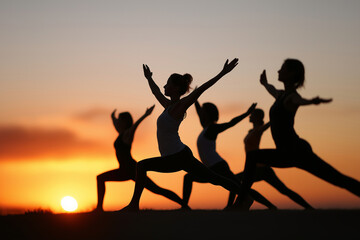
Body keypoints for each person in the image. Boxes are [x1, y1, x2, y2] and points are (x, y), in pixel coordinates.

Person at [234, 58, 360, 208]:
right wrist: (265, 84)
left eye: (283, 69)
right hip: (284, 152)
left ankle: (241, 201)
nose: (279, 71)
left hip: (297, 151)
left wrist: (312, 101)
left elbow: (299, 101)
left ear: (292, 74)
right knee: (253, 156)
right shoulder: (280, 95)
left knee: (338, 179)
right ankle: (242, 201)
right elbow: (272, 89)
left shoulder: (291, 97)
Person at [122, 59, 245, 211]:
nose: (165, 86)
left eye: (168, 84)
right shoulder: (168, 106)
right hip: (177, 156)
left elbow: (201, 90)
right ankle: (247, 196)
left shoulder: (180, 106)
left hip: (178, 156)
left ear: (176, 88)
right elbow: (156, 91)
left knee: (141, 165)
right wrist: (149, 78)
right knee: (215, 178)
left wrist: (223, 73)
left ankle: (134, 205)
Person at [182, 100, 276, 209]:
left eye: (203, 111)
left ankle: (270, 206)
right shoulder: (206, 128)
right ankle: (184, 206)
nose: (200, 113)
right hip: (210, 168)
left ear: (207, 113)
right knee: (188, 177)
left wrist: (246, 113)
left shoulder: (212, 128)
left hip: (218, 166)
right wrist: (195, 99)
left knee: (240, 188)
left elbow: (231, 123)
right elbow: (199, 112)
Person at [94, 105, 189, 212]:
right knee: (100, 178)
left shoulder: (128, 134)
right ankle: (99, 208)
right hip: (124, 169)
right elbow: (116, 125)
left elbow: (134, 127)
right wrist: (113, 117)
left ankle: (184, 205)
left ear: (125, 122)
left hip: (131, 169)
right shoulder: (121, 133)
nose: (118, 122)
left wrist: (145, 115)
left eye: (120, 120)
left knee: (157, 190)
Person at [227, 108, 313, 209]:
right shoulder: (252, 131)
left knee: (283, 190)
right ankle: (234, 206)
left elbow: (264, 127)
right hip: (254, 167)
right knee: (238, 184)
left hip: (260, 168)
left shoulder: (259, 129)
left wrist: (275, 119)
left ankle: (232, 207)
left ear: (258, 117)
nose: (250, 116)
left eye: (252, 114)